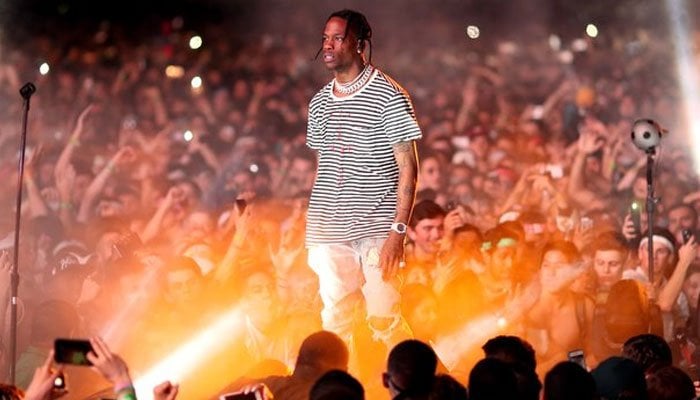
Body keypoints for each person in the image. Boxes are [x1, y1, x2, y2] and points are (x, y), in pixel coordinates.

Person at [305, 9, 422, 349]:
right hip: (329, 230)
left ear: (359, 44)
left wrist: (397, 233)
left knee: (384, 317)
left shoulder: (389, 96)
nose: (328, 45)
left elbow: (409, 170)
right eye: (326, 38)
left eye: (338, 38)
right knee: (336, 323)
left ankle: (412, 385)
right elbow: (323, 168)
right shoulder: (318, 104)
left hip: (377, 228)